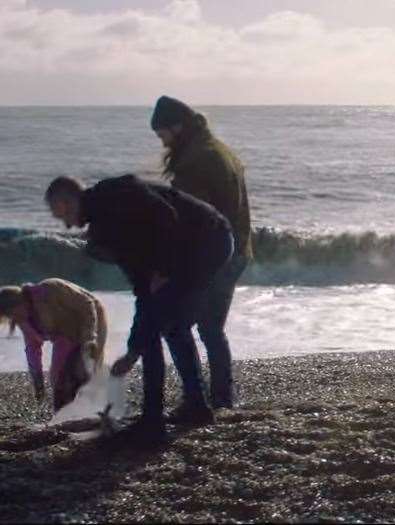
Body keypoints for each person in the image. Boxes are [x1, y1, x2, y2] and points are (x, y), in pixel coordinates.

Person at [45, 174, 234, 441]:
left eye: (59, 212)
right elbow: (142, 295)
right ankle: (195, 406)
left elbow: (165, 214)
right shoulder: (105, 232)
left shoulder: (114, 192)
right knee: (166, 324)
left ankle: (153, 420)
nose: (64, 224)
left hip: (209, 238)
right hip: (195, 247)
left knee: (160, 324)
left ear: (67, 201)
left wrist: (164, 269)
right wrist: (133, 350)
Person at [151, 95, 253, 409]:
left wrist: (168, 267)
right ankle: (221, 397)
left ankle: (197, 399)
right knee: (210, 328)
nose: (162, 141)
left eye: (162, 134)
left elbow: (192, 221)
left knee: (176, 325)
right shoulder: (220, 150)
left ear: (177, 127)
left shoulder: (197, 161)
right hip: (237, 250)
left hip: (214, 257)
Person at [0, 279, 107, 411]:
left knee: (84, 367)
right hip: (64, 337)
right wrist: (38, 382)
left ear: (19, 302)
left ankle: (95, 409)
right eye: (9, 317)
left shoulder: (51, 289)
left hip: (92, 319)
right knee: (57, 375)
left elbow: (87, 304)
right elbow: (32, 349)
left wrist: (89, 338)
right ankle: (63, 412)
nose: (14, 318)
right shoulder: (24, 320)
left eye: (12, 313)